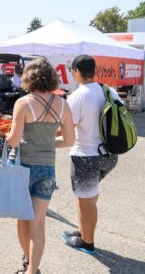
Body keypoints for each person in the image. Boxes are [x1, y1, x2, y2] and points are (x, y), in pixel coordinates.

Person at [5, 58, 75, 274]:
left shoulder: (23, 103)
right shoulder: (63, 104)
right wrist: (46, 144)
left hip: (23, 167)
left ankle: (27, 259)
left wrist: (7, 135)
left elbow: (14, 140)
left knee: (21, 219)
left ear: (28, 77)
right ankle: (32, 270)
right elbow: (70, 141)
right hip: (47, 169)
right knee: (38, 223)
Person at [62, 55, 120, 254]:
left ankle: (87, 242)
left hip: (86, 156)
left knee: (85, 200)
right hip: (110, 155)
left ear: (77, 71)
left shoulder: (77, 96)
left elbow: (67, 128)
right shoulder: (108, 90)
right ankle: (82, 230)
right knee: (88, 196)